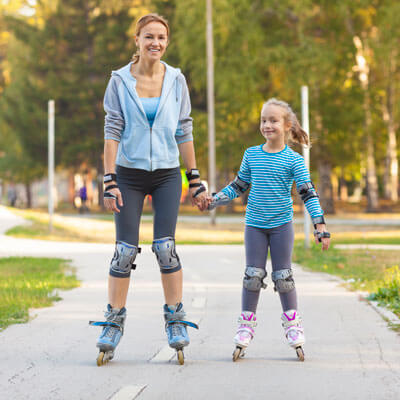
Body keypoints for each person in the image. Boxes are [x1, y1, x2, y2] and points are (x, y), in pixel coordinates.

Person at [90, 13, 207, 366]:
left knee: (165, 247)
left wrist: (195, 176)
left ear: (166, 42)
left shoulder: (176, 79)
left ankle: (175, 319)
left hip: (168, 174)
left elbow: (184, 130)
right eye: (149, 37)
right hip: (128, 173)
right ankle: (113, 321)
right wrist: (109, 179)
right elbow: (112, 131)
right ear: (137, 40)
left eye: (161, 37)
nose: (155, 43)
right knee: (124, 251)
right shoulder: (119, 81)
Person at [207, 98, 331, 361]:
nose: (267, 125)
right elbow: (238, 187)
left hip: (281, 226)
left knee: (283, 276)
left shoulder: (294, 160)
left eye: (273, 120)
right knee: (252, 275)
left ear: (287, 125)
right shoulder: (251, 154)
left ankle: (293, 326)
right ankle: (245, 327)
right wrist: (215, 199)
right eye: (263, 120)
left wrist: (320, 224)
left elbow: (308, 193)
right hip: (254, 225)